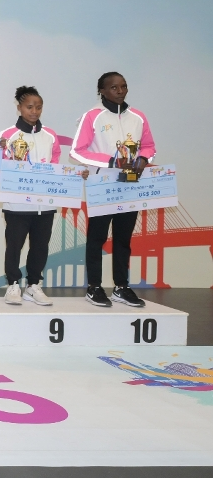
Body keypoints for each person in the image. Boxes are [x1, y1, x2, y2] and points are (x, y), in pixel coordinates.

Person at [70, 72, 155, 307]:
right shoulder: (92, 116)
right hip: (102, 185)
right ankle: (94, 287)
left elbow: (149, 146)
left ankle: (121, 287)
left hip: (130, 184)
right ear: (102, 91)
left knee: (123, 239)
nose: (120, 91)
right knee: (96, 238)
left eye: (123, 86)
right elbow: (77, 151)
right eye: (114, 87)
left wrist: (143, 160)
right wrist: (111, 162)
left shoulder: (138, 117)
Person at [0, 86, 62, 306]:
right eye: (29, 107)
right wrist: (0, 153)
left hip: (45, 204)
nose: (34, 111)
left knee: (40, 246)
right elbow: (0, 170)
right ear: (19, 108)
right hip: (17, 204)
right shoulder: (7, 136)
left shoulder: (50, 136)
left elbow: (55, 166)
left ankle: (33, 285)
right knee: (14, 246)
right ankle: (13, 285)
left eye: (38, 107)